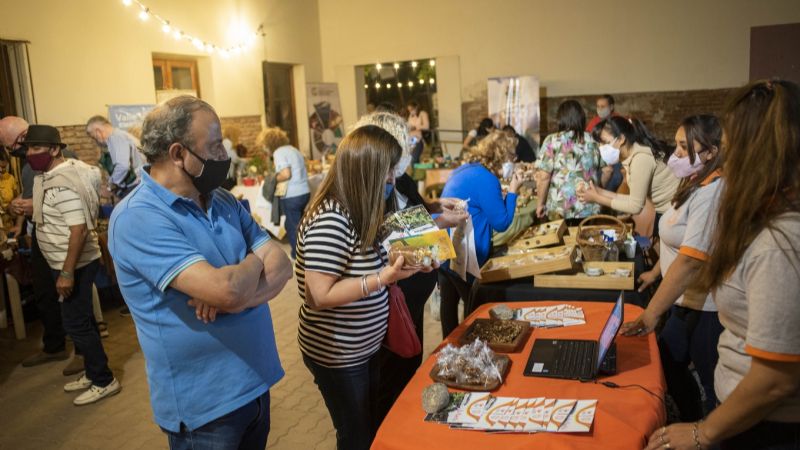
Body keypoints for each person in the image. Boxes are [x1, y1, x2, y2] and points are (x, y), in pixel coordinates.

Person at [109, 96, 292, 448]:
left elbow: (281, 265)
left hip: (255, 386)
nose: (223, 156)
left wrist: (236, 299)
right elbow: (227, 288)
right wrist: (254, 260)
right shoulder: (138, 217)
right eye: (213, 147)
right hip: (206, 410)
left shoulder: (220, 199)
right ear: (178, 154)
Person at [645, 80, 800, 450]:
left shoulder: (779, 241)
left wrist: (703, 432)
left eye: (732, 149)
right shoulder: (764, 221)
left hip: (765, 428)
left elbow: (775, 378)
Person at [296, 125, 428, 450]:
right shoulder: (331, 220)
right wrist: (382, 279)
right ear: (365, 172)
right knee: (356, 435)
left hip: (363, 347)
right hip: (338, 354)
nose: (391, 181)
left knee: (368, 425)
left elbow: (371, 268)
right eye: (386, 173)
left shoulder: (361, 211)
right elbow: (320, 295)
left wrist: (404, 270)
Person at [352, 111, 469, 422]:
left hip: (411, 296)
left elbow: (412, 210)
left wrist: (434, 207)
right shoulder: (372, 180)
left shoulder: (397, 176)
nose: (409, 148)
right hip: (391, 299)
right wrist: (439, 221)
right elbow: (386, 230)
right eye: (405, 142)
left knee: (408, 364)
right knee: (390, 379)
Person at [621, 115, 724, 423]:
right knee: (669, 363)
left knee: (712, 386)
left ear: (709, 152)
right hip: (683, 301)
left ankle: (707, 432)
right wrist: (656, 272)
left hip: (705, 306)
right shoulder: (693, 182)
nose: (675, 155)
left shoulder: (713, 192)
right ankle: (691, 421)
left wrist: (652, 312)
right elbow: (675, 241)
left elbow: (691, 259)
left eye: (683, 147)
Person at [24, 125, 119, 405]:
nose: (30, 154)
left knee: (75, 323)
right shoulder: (51, 175)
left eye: (36, 149)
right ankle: (93, 372)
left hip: (73, 263)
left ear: (55, 149)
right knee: (84, 319)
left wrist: (66, 273)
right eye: (28, 148)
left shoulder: (63, 183)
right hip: (67, 260)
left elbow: (77, 229)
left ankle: (104, 379)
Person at [0, 116, 85, 376]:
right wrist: (22, 210)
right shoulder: (28, 164)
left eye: (13, 145)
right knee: (44, 289)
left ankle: (85, 353)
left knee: (73, 293)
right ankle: (54, 345)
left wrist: (34, 205)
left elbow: (75, 197)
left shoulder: (62, 155)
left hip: (63, 233)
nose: (13, 151)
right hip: (41, 233)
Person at [439, 130, 521, 337]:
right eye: (512, 156)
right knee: (474, 306)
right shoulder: (487, 178)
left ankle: (449, 347)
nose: (514, 160)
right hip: (466, 254)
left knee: (448, 303)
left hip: (444, 247)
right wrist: (513, 191)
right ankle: (470, 348)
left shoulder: (464, 170)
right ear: (501, 156)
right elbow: (502, 223)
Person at [578, 116, 680, 237]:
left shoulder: (640, 159)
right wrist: (598, 191)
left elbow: (635, 206)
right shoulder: (630, 156)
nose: (601, 148)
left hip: (675, 213)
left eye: (605, 142)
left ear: (621, 139)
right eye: (599, 143)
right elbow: (625, 198)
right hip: (666, 212)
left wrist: (597, 198)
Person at [534, 100, 602, 221]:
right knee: (588, 239)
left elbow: (543, 177)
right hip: (590, 207)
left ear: (560, 118)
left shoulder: (552, 140)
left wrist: (540, 204)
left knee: (562, 240)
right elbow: (607, 170)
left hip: (560, 210)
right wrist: (598, 192)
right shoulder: (593, 140)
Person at [257, 127, 310, 258]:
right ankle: (306, 253)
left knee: (293, 228)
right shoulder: (293, 149)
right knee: (299, 225)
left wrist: (274, 177)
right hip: (304, 192)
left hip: (292, 195)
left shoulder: (279, 152)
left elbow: (286, 174)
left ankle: (297, 258)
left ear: (269, 143)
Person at [85, 115, 144, 199]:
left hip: (136, 187)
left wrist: (110, 186)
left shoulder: (116, 138)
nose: (96, 140)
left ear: (98, 131)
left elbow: (123, 166)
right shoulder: (119, 136)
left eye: (94, 137)